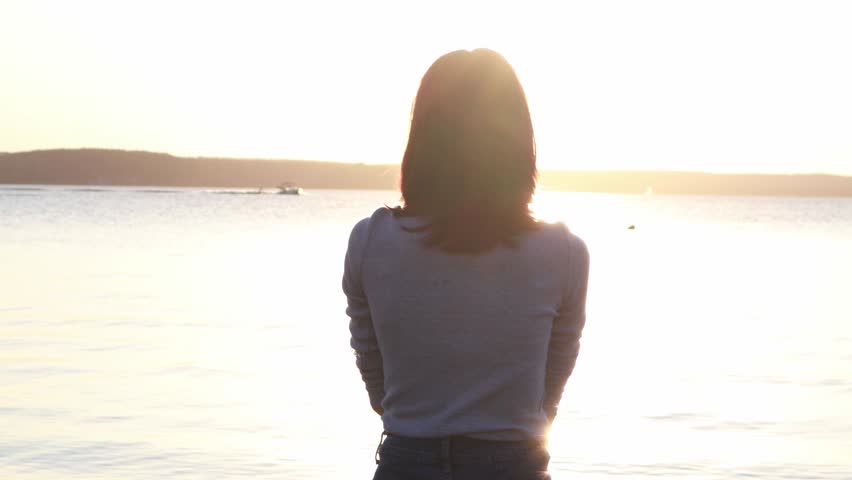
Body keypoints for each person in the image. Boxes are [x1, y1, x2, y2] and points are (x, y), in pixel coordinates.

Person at [342, 48, 590, 480]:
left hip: (408, 459)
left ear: (423, 138)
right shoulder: (564, 252)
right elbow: (552, 381)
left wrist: (415, 419)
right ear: (517, 141)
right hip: (512, 463)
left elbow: (371, 362)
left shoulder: (370, 240)